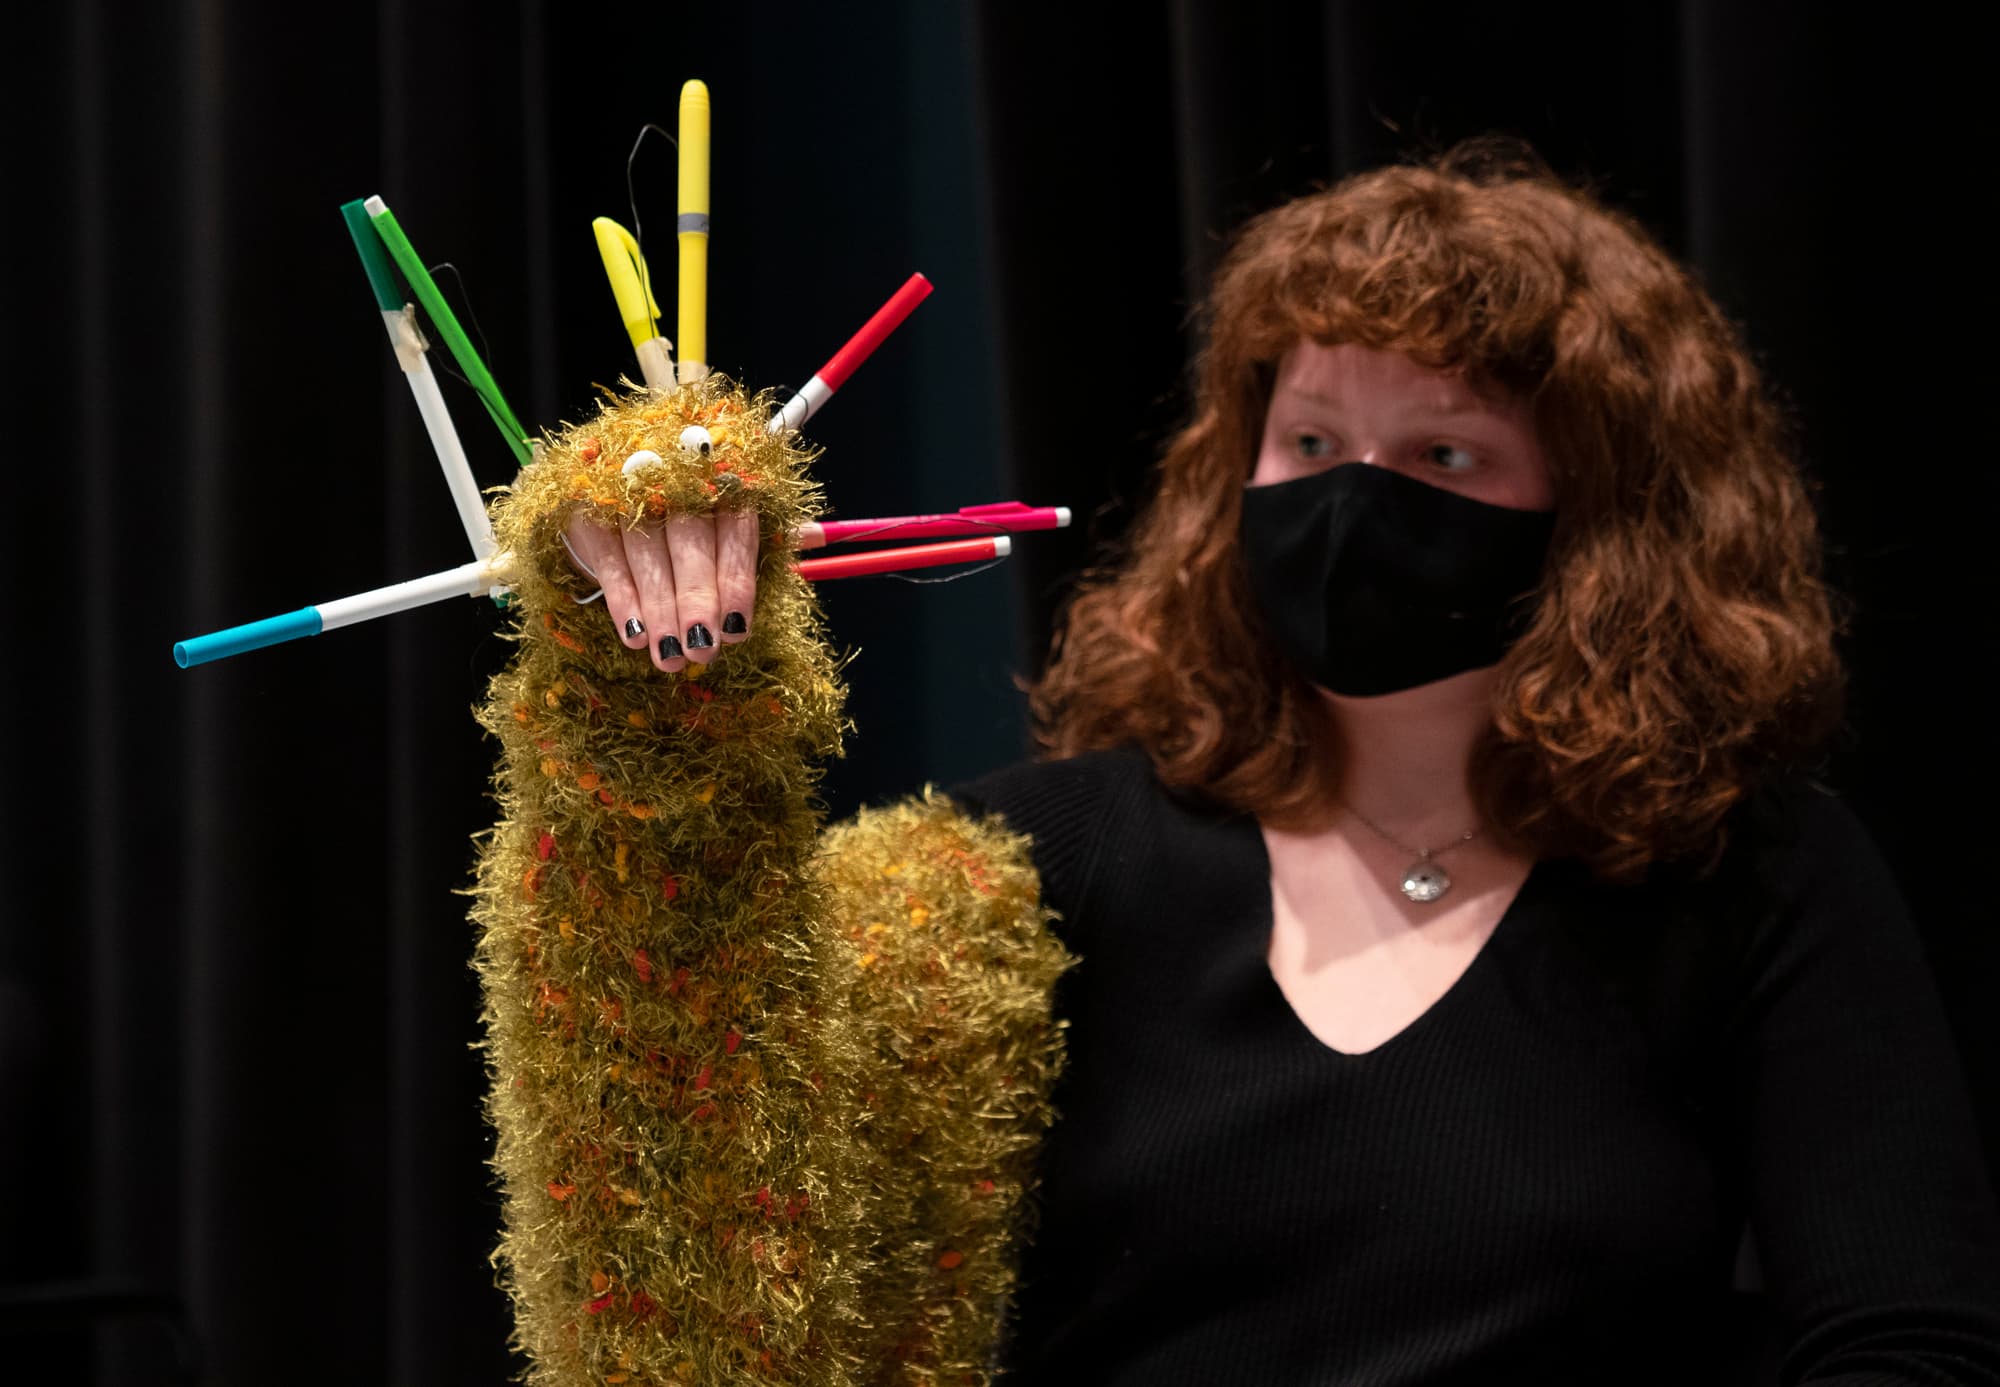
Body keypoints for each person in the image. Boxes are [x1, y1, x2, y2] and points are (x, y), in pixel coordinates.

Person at [554, 143, 2000, 1383]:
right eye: (1308, 440)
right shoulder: (1040, 863)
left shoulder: (1750, 879)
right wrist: (637, 719)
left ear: (1606, 516)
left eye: (1442, 458)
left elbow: (1904, 1344)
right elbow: (705, 1158)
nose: (1353, 506)